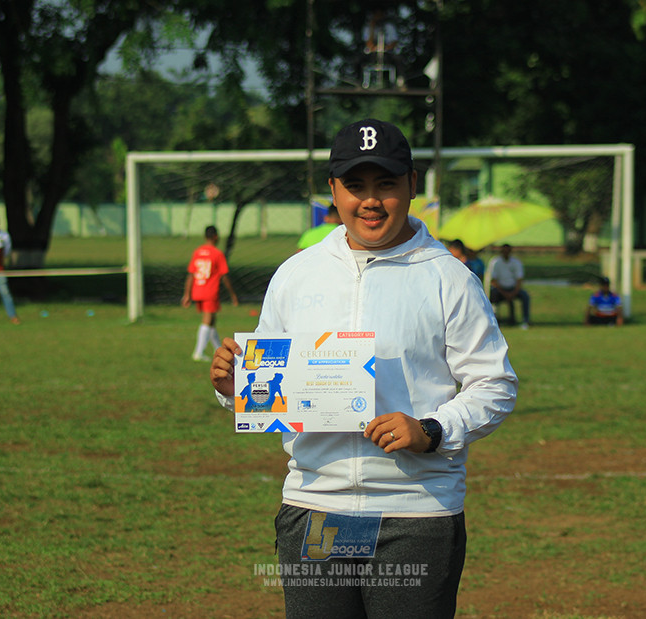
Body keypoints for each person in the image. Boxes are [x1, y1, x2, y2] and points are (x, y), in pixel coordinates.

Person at [209, 118, 518, 618]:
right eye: (355, 186)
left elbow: (495, 384)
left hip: (414, 513)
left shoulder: (449, 278)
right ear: (333, 190)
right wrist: (233, 386)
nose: (370, 200)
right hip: (315, 506)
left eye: (386, 184)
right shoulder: (296, 273)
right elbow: (269, 385)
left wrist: (432, 429)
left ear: (412, 185)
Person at [182, 225, 239, 361]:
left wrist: (187, 294)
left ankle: (217, 349)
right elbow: (224, 276)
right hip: (209, 291)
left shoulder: (197, 252)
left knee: (212, 321)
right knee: (207, 321)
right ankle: (198, 352)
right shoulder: (217, 253)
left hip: (197, 290)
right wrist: (233, 295)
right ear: (216, 237)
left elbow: (191, 274)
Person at [487, 243, 531, 329]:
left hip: (513, 288)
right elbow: (493, 280)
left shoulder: (516, 262)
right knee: (492, 295)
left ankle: (525, 320)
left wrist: (514, 292)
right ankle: (494, 319)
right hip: (499, 288)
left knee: (525, 296)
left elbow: (519, 279)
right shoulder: (495, 262)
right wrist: (504, 293)